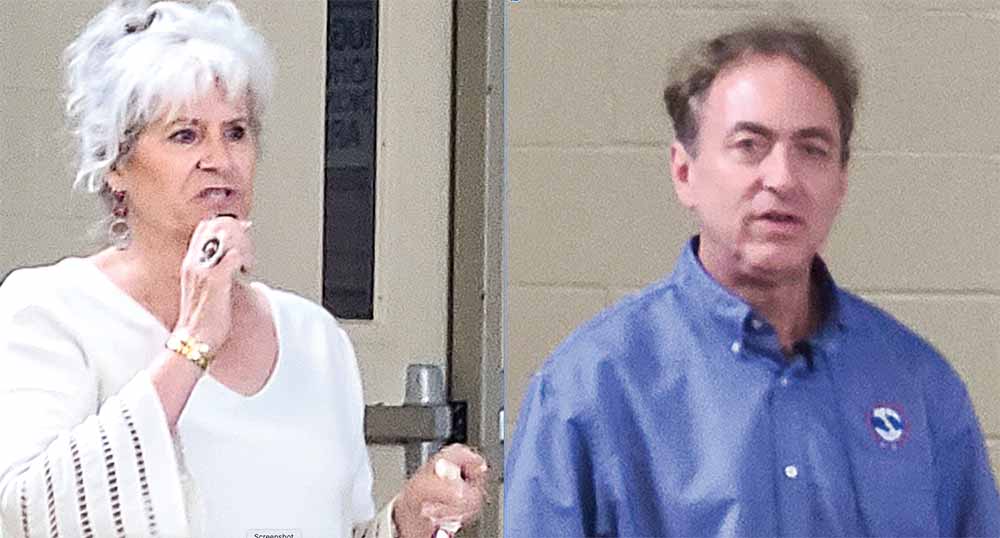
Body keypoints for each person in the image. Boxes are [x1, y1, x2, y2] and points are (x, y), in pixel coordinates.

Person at [0, 1, 486, 537]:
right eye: (185, 135)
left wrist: (407, 521)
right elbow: (26, 515)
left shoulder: (315, 338)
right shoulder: (50, 312)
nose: (220, 159)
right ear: (115, 164)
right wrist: (192, 342)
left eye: (236, 132)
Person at [504, 18, 1000, 537]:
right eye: (749, 144)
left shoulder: (918, 385)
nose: (782, 178)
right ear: (684, 173)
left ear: (841, 182)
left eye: (812, 149)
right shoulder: (591, 390)